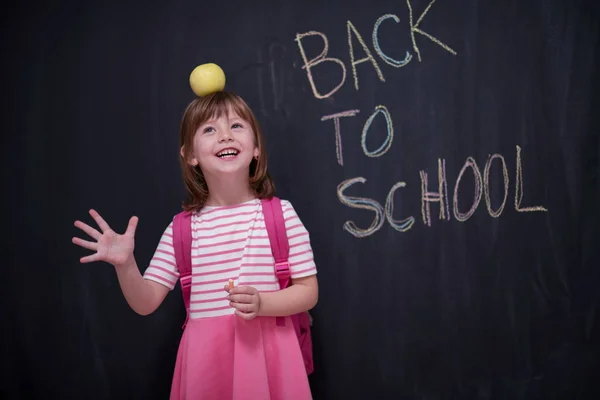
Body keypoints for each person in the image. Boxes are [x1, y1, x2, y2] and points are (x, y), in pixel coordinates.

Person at [72, 91, 318, 399]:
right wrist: (126, 265)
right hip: (206, 366)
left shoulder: (281, 214)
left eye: (237, 126)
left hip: (269, 359)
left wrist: (263, 304)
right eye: (209, 129)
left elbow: (308, 292)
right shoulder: (181, 229)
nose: (225, 136)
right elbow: (145, 302)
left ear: (256, 147)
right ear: (190, 155)